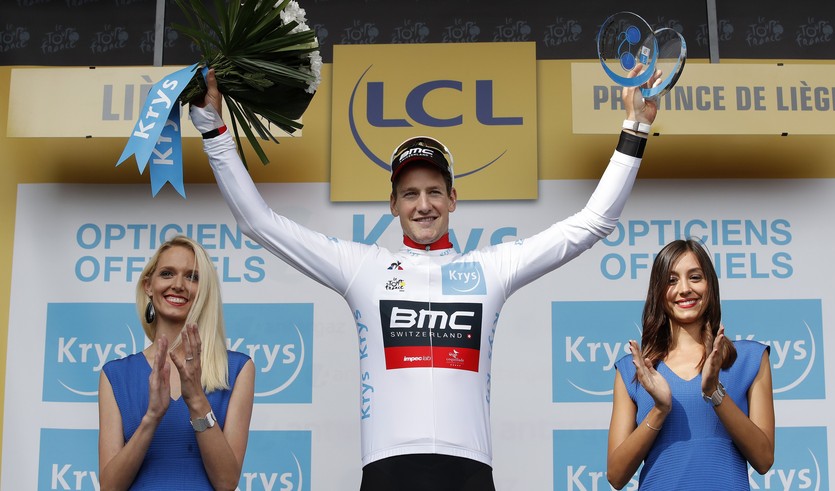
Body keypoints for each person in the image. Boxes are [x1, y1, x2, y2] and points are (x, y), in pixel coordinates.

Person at [189, 63, 658, 490]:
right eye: (410, 193)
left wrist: (635, 128)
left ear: (453, 199)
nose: (424, 205)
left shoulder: (488, 268)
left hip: (470, 471)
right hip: (387, 470)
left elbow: (593, 223)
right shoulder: (364, 269)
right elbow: (259, 223)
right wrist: (214, 130)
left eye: (435, 191)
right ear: (393, 205)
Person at [607, 239, 775, 490]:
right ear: (658, 291)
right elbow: (616, 475)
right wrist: (660, 409)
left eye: (695, 277)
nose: (684, 289)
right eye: (672, 280)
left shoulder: (750, 359)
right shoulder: (633, 370)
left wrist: (714, 393)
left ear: (710, 286)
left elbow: (763, 460)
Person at [98, 235, 255, 490]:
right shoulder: (114, 375)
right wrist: (151, 418)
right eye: (167, 274)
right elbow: (110, 486)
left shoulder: (237, 369)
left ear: (204, 290)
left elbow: (227, 482)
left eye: (192, 277)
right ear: (148, 285)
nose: (179, 285)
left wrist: (196, 400)